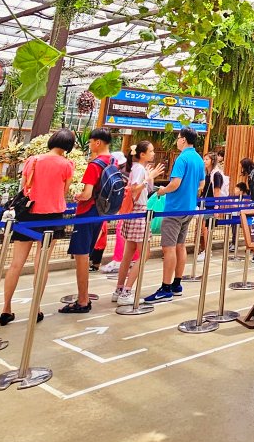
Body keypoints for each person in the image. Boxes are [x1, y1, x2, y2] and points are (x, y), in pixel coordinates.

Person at [0, 129, 77, 325]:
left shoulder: (33, 160)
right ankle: (36, 308)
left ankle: (6, 308)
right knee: (41, 264)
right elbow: (65, 191)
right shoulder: (67, 164)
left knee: (16, 263)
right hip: (52, 216)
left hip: (27, 214)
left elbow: (24, 186)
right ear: (68, 146)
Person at [143, 128, 205, 303]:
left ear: (183, 140)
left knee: (168, 248)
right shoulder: (199, 159)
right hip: (189, 208)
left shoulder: (182, 159)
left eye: (178, 138)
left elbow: (175, 183)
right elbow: (202, 184)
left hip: (174, 208)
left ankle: (166, 287)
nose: (177, 141)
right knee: (180, 245)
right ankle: (177, 284)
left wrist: (162, 191)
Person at [61, 127, 118, 314]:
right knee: (86, 254)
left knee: (82, 257)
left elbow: (87, 194)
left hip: (87, 212)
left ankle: (83, 300)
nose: (90, 144)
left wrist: (78, 196)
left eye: (92, 141)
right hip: (101, 213)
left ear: (98, 142)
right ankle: (83, 296)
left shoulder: (95, 164)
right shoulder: (114, 162)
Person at [115, 142, 163, 305]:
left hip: (132, 212)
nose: (153, 153)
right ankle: (127, 290)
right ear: (142, 154)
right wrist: (149, 178)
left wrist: (149, 178)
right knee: (145, 253)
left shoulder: (136, 167)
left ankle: (120, 289)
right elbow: (134, 189)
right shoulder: (139, 169)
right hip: (138, 213)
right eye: (151, 151)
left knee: (129, 253)